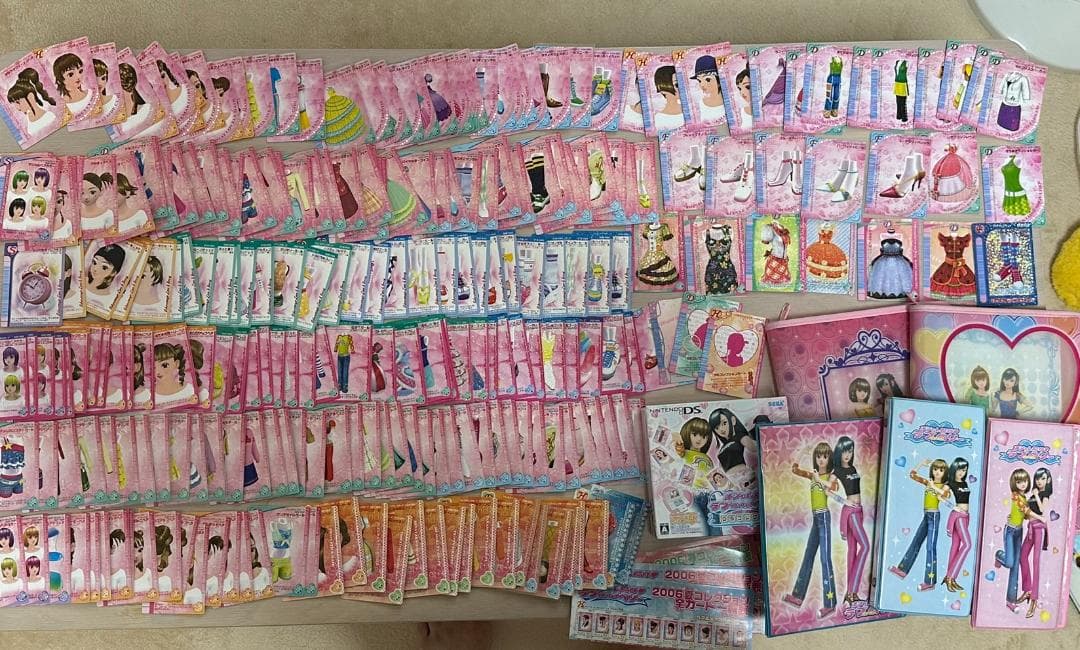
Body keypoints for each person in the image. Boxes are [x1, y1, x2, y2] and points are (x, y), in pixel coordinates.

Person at [784, 442, 838, 618]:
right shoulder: (813, 475)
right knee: (808, 554)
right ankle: (797, 595)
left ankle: (830, 603)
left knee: (825, 559)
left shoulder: (831, 476)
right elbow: (795, 470)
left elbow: (833, 488)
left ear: (829, 458)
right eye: (818, 456)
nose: (821, 459)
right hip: (816, 518)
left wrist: (818, 479)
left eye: (825, 456)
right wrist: (802, 452)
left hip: (824, 517)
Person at [890, 459, 951, 591]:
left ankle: (930, 581)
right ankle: (903, 569)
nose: (937, 472)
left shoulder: (944, 485)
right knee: (916, 541)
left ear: (945, 472)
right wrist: (921, 464)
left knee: (930, 547)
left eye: (941, 470)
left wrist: (933, 487)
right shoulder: (929, 482)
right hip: (926, 515)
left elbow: (946, 495)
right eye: (935, 469)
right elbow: (912, 475)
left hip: (934, 516)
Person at [832, 436, 868, 604]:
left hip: (859, 510)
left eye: (850, 451)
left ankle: (850, 594)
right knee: (865, 546)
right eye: (845, 451)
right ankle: (853, 590)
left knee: (853, 550)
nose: (847, 454)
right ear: (839, 452)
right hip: (851, 512)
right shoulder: (837, 471)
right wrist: (843, 501)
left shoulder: (852, 468)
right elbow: (826, 490)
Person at [1019, 467, 1052, 618]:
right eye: (1038, 478)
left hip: (1039, 529)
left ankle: (1034, 599)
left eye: (1043, 478)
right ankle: (1027, 589)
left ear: (1048, 480)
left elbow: (1042, 510)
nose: (1039, 481)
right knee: (1022, 556)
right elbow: (1028, 514)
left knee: (1036, 562)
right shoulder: (1033, 494)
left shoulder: (1044, 494)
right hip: (1031, 528)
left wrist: (1037, 495)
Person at [942, 458, 971, 593]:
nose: (962, 473)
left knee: (955, 546)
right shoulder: (950, 483)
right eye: (960, 469)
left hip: (966, 516)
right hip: (958, 517)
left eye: (964, 470)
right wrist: (953, 506)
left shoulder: (964, 482)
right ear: (954, 469)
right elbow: (940, 496)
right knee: (967, 545)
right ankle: (951, 576)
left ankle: (950, 579)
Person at [6, 68, 58, 140]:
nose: (17, 107)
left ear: (30, 97)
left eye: (18, 102)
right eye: (14, 103)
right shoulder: (29, 117)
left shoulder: (49, 117)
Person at [53, 52, 91, 116]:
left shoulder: (91, 94)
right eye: (71, 74)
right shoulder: (62, 106)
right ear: (60, 80)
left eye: (80, 71)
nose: (78, 76)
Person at [650, 65, 684, 132]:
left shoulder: (690, 109)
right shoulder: (659, 119)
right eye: (677, 85)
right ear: (662, 87)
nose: (682, 88)